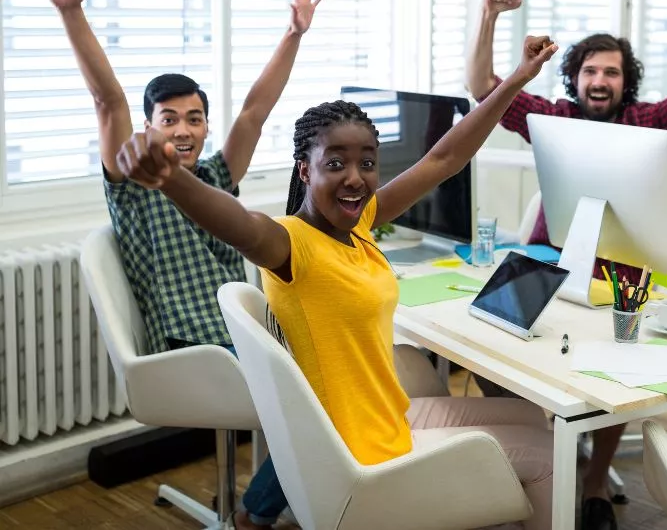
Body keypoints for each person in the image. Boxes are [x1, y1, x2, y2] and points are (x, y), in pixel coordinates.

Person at [115, 35, 562, 530]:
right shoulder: (289, 245)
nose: (355, 177)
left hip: (386, 418)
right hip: (362, 449)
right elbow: (235, 221)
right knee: (548, 455)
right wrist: (171, 179)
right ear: (305, 171)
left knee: (531, 422)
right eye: (336, 164)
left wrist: (516, 80)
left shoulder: (360, 225)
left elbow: (442, 160)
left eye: (367, 163)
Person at [30, 0, 326, 526]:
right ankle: (260, 511)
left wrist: (293, 33)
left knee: (342, 368)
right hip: (195, 346)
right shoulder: (134, 183)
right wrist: (72, 10)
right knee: (316, 399)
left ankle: (303, 492)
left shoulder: (216, 174)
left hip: (246, 330)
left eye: (195, 118)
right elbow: (106, 97)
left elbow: (256, 110)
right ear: (150, 126)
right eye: (170, 119)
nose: (184, 130)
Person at [465, 0, 667, 530]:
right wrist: (488, 16)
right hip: (545, 257)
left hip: (623, 270)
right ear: (575, 77)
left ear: (625, 80)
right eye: (590, 70)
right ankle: (543, 451)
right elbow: (482, 89)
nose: (600, 80)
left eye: (611, 71)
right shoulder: (554, 115)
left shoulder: (649, 122)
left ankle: (592, 483)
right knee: (485, 346)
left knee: (615, 374)